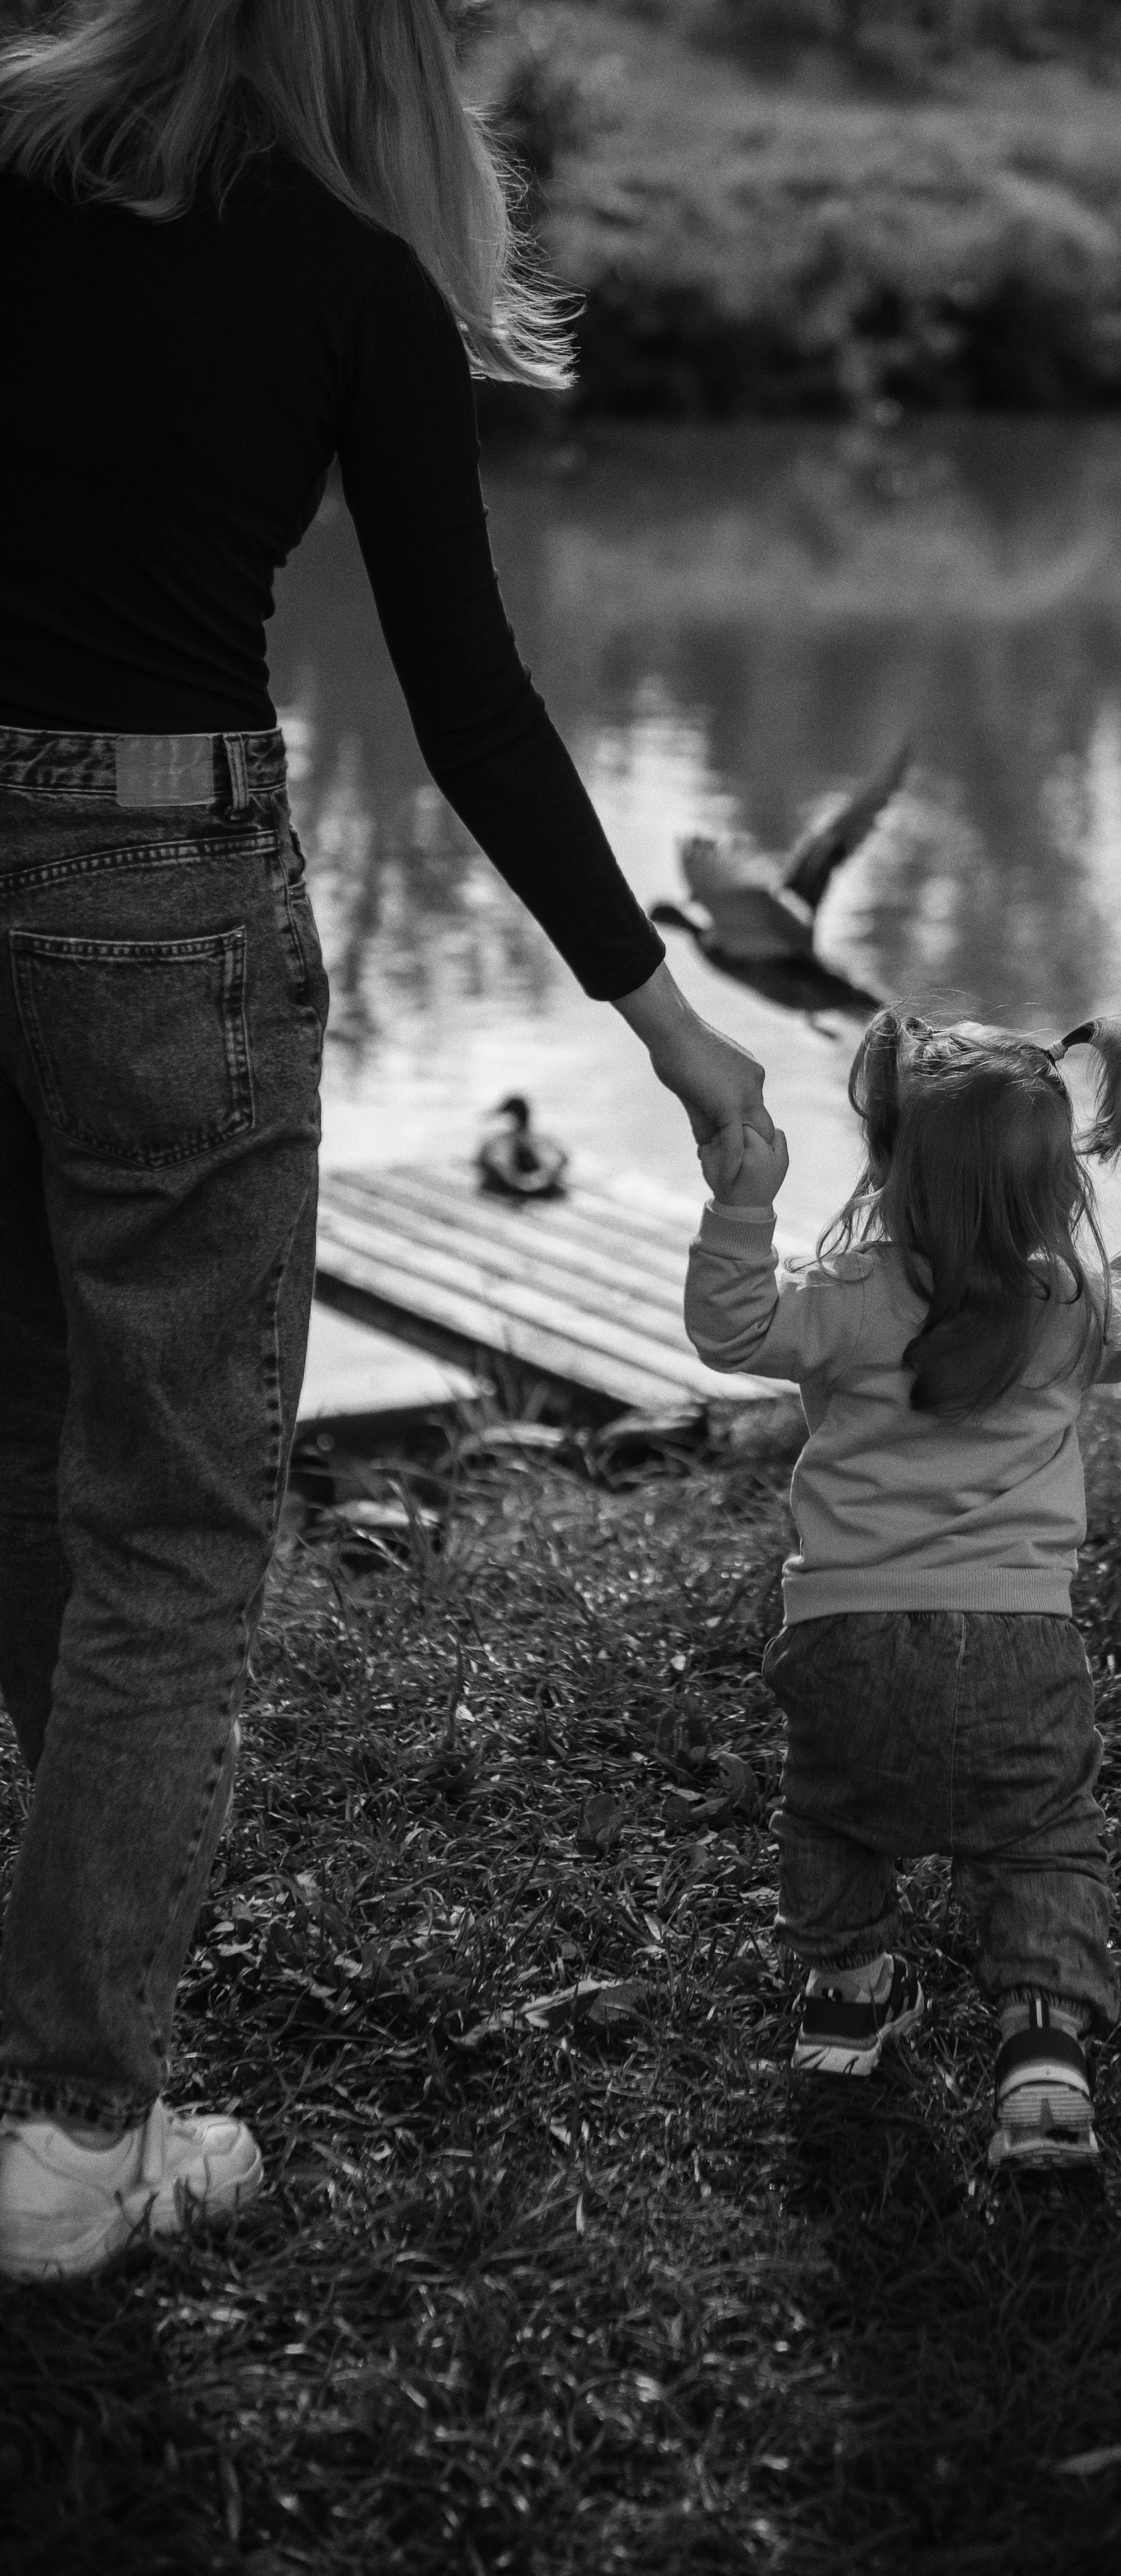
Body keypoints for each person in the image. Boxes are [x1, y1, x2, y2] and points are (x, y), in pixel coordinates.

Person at [0, 0, 774, 2283]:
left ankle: (60, 2027)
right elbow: (466, 698)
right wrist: (677, 1027)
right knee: (171, 1527)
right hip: (160, 904)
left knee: (25, 1428)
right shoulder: (350, 271)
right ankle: (69, 2130)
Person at [684, 1009, 1121, 2172]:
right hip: (1021, 1642)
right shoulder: (1067, 1305)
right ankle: (1041, 2057)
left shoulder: (850, 1291)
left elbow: (732, 1329)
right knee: (1039, 1843)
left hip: (843, 1634)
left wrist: (743, 1203)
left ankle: (845, 2003)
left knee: (836, 1812)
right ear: (1053, 1196)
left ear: (890, 1166)